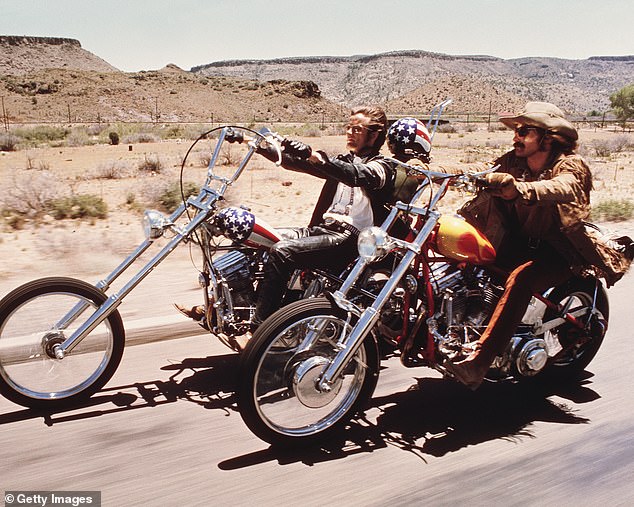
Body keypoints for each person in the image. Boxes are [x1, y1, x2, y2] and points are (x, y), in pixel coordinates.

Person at [444, 101, 632, 390]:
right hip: (516, 242)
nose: (516, 136)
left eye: (524, 131)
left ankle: (479, 363)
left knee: (521, 279)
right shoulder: (514, 161)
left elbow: (564, 187)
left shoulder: (570, 164)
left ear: (547, 137)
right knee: (465, 256)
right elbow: (479, 169)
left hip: (558, 249)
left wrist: (518, 189)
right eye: (517, 130)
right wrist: (433, 170)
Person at [177, 106, 401, 345]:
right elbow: (295, 162)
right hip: (323, 228)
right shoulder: (345, 160)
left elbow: (355, 174)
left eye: (357, 129)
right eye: (348, 127)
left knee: (282, 252)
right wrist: (251, 141)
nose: (349, 132)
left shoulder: (383, 167)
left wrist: (316, 156)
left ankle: (260, 332)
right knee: (254, 238)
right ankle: (226, 308)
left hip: (350, 238)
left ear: (375, 134)